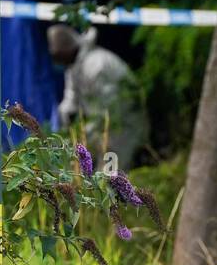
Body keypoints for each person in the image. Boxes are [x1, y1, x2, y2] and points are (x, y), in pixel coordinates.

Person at [47, 23, 148, 171]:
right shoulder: (74, 66)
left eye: (57, 56)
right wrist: (64, 121)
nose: (56, 61)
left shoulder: (96, 65)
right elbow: (71, 98)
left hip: (122, 125)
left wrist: (84, 135)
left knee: (110, 177)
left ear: (66, 50)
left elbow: (108, 112)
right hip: (101, 127)